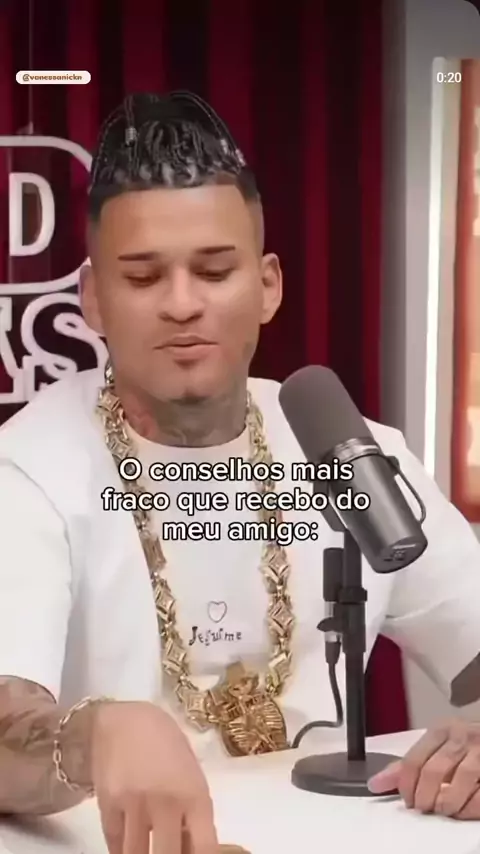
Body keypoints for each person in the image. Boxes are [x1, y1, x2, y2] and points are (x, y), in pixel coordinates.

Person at [0, 90, 480, 853]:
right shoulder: (29, 468)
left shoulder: (350, 448)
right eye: (144, 278)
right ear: (93, 299)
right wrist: (94, 735)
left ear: (267, 286)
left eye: (215, 270)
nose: (182, 304)